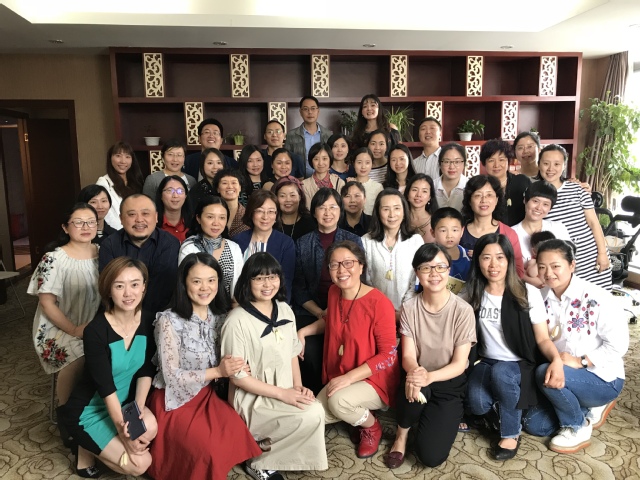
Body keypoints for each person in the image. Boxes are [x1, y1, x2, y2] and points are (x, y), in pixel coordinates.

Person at [147, 253, 261, 480]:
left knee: (235, 431)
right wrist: (219, 371)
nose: (205, 287)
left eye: (211, 280)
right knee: (206, 451)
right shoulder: (168, 321)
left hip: (207, 395)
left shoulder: (221, 316)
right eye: (196, 281)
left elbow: (232, 355)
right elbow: (171, 377)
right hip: (174, 400)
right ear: (184, 283)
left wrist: (238, 367)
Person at [221, 253, 328, 479]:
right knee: (309, 414)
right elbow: (237, 377)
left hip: (285, 386)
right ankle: (257, 460)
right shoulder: (236, 320)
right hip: (252, 396)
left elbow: (292, 353)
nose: (267, 284)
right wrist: (283, 394)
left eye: (272, 277)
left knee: (316, 410)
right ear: (247, 281)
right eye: (259, 278)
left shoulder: (285, 309)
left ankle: (264, 446)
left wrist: (297, 386)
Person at [523, 240, 628, 453]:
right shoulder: (540, 297)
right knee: (535, 424)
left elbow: (619, 345)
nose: (548, 273)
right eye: (542, 267)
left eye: (556, 266)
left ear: (572, 265)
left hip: (602, 377)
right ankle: (586, 406)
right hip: (562, 373)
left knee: (544, 373)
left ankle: (578, 425)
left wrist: (580, 362)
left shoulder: (597, 298)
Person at [465, 233, 563, 461]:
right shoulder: (473, 292)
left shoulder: (527, 292)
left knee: (502, 374)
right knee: (477, 404)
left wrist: (556, 360)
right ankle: (506, 406)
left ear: (509, 260)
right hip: (486, 361)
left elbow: (542, 339)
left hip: (519, 362)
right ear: (478, 261)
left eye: (500, 257)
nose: (493, 265)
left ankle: (510, 433)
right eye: (486, 258)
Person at [62, 257, 158, 478]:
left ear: (144, 287)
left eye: (135, 284)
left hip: (123, 404)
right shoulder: (95, 331)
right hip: (89, 411)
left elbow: (146, 370)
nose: (128, 293)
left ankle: (95, 446)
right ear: (108, 290)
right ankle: (84, 446)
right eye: (119, 286)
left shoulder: (149, 320)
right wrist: (123, 434)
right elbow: (105, 387)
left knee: (149, 426)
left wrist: (137, 412)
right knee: (141, 464)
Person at [385, 243, 476, 469]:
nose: (434, 273)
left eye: (440, 267)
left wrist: (429, 377)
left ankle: (434, 415)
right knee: (414, 384)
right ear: (417, 272)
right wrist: (417, 374)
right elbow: (407, 356)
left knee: (431, 457)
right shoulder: (409, 307)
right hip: (418, 375)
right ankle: (401, 435)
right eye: (426, 268)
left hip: (449, 383)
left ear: (449, 270)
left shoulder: (463, 310)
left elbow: (459, 364)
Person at [315, 241, 399, 458]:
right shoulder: (334, 292)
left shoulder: (379, 303)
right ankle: (357, 416)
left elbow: (388, 356)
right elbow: (332, 321)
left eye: (348, 263)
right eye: (334, 265)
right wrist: (302, 333)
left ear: (361, 266)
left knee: (338, 402)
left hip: (374, 379)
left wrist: (349, 378)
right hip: (343, 371)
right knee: (315, 413)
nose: (341, 270)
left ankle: (372, 427)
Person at [29, 203, 100, 411]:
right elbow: (47, 303)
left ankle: (97, 409)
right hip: (57, 328)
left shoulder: (105, 252)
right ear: (65, 227)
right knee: (80, 354)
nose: (86, 227)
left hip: (92, 324)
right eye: (78, 222)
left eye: (91, 222)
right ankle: (66, 413)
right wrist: (74, 330)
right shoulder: (53, 259)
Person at [294, 188, 363, 394]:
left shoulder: (353, 240)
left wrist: (334, 310)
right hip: (311, 310)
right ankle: (314, 397)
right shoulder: (302, 243)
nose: (327, 212)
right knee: (310, 353)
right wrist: (319, 312)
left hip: (346, 307)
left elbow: (359, 280)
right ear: (314, 212)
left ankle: (343, 395)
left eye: (333, 207)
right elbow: (299, 288)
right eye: (322, 207)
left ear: (340, 211)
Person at [538, 144, 612, 290]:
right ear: (539, 164)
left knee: (600, 297)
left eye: (557, 164)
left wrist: (602, 253)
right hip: (562, 260)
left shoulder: (577, 189)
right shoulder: (535, 194)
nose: (551, 168)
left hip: (590, 254)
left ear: (564, 166)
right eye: (546, 163)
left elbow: (593, 223)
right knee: (572, 298)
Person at [99, 194, 180, 315]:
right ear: (121, 219)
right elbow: (109, 286)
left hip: (160, 314)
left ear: (156, 217)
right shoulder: (109, 245)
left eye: (145, 213)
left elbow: (161, 289)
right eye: (132, 214)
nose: (139, 220)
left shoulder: (170, 243)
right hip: (119, 313)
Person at [362, 188, 423, 321]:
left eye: (397, 208)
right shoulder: (366, 241)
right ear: (378, 212)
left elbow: (417, 279)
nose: (392, 214)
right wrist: (382, 309)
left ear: (404, 211)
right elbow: (364, 280)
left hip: (408, 312)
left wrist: (404, 309)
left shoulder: (416, 240)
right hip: (374, 310)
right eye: (386, 209)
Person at [232, 190, 296, 303]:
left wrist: (280, 308)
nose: (265, 217)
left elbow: (286, 282)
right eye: (260, 211)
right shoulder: (237, 241)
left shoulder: (286, 243)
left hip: (273, 304)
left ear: (276, 215)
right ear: (251, 213)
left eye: (271, 211)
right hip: (240, 303)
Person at [179, 196, 244, 299]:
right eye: (210, 217)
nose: (216, 223)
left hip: (228, 306)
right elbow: (184, 286)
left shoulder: (234, 248)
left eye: (222, 218)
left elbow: (238, 288)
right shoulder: (189, 248)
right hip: (197, 305)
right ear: (198, 218)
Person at [460, 175, 525, 277]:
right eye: (478, 195)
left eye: (489, 195)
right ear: (469, 201)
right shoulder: (458, 231)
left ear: (497, 200)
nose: (484, 200)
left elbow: (518, 271)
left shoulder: (509, 234)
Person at [511, 181, 571, 287]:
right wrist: (530, 280)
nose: (539, 208)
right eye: (535, 201)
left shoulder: (558, 228)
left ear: (550, 208)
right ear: (525, 200)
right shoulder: (511, 233)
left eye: (545, 204)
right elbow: (509, 268)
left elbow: (569, 262)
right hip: (524, 291)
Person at [480, 138, 531, 227]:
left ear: (508, 161)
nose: (496, 165)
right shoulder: (479, 186)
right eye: (491, 160)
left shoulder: (522, 182)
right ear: (484, 163)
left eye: (501, 160)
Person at [96, 142, 144, 230]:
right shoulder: (104, 182)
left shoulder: (136, 181)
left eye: (127, 157)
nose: (123, 161)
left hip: (138, 229)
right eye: (118, 156)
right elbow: (107, 215)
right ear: (110, 158)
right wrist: (122, 233)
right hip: (117, 232)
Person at [285, 96, 333, 175]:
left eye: (313, 108)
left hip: (323, 178)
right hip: (299, 179)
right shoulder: (292, 135)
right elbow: (287, 159)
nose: (310, 112)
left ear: (318, 111)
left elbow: (332, 159)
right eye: (306, 109)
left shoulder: (328, 134)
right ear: (300, 112)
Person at [430, 207, 472, 289]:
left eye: (455, 230)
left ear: (462, 231)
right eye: (443, 230)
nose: (449, 236)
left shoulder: (470, 257)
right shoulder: (427, 258)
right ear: (432, 232)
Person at [302, 143, 345, 209]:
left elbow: (341, 208)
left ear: (330, 160)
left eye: (324, 159)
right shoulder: (304, 185)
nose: (320, 163)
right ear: (311, 161)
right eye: (316, 159)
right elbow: (307, 210)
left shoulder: (339, 183)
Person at [273, 175, 316, 241]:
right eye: (282, 196)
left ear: (300, 197)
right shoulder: (270, 222)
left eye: (292, 195)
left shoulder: (311, 222)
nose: (288, 200)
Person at [212, 168, 250, 238]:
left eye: (234, 183)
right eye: (224, 183)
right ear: (218, 189)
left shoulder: (248, 215)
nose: (230, 186)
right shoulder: (210, 213)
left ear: (240, 187)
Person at [155, 175, 191, 243]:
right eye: (170, 190)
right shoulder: (153, 224)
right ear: (161, 195)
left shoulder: (193, 223)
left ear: (186, 196)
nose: (175, 195)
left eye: (180, 191)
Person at [405, 173, 439, 244]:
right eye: (414, 190)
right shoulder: (398, 219)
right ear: (407, 193)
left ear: (430, 197)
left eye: (424, 191)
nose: (419, 195)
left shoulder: (437, 221)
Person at [434, 142, 468, 212]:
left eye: (457, 162)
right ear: (440, 164)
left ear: (464, 164)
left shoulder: (471, 186)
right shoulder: (431, 186)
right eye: (447, 162)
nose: (452, 167)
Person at [350, 147, 383, 215]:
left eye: (367, 162)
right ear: (353, 164)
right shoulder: (347, 183)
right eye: (359, 162)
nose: (363, 167)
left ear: (372, 164)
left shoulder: (378, 187)